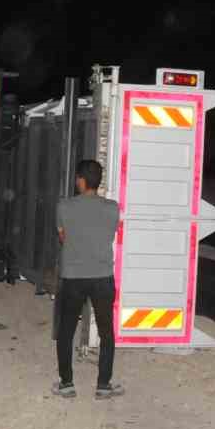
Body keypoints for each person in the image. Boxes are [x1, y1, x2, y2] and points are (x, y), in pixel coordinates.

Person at [52, 159, 122, 399]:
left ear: (81, 180)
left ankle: (66, 383)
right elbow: (109, 235)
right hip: (103, 277)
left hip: (73, 277)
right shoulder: (113, 208)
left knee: (66, 329)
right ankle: (103, 385)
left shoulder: (64, 206)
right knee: (106, 331)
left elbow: (63, 238)